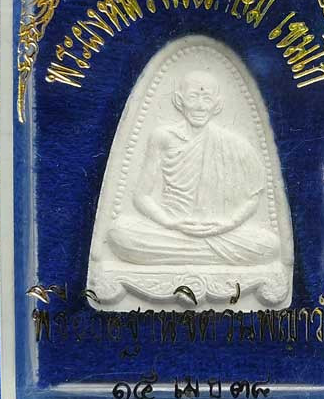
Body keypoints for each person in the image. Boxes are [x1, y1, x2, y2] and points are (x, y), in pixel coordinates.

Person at [108, 70, 279, 266]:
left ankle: (183, 254)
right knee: (118, 233)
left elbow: (253, 196)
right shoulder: (162, 137)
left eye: (206, 99)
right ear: (179, 101)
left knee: (270, 245)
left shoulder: (234, 143)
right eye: (193, 97)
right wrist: (170, 222)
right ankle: (206, 255)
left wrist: (229, 223)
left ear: (217, 105)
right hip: (171, 230)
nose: (200, 106)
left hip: (222, 233)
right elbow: (141, 196)